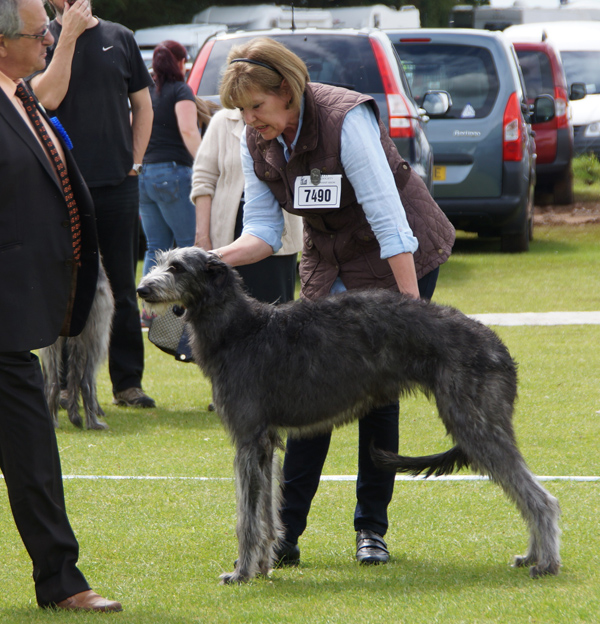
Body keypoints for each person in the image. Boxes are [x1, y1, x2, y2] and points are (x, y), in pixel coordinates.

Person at [212, 38, 456, 566]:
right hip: (332, 263)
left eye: (256, 107)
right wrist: (210, 259)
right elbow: (262, 232)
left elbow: (391, 223)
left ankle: (371, 529)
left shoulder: (345, 119)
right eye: (242, 112)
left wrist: (410, 317)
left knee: (379, 396)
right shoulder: (255, 139)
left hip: (401, 255)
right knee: (307, 395)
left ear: (286, 90)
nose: (250, 121)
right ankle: (286, 536)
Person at [0, 0, 120, 611]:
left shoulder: (17, 95)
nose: (47, 37)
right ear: (0, 42)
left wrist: (68, 35)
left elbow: (49, 92)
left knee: (32, 449)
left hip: (11, 327)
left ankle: (62, 581)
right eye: (38, 31)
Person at [30, 0, 156, 408]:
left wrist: (135, 162)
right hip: (60, 184)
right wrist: (66, 34)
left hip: (117, 182)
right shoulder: (40, 38)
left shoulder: (120, 37)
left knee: (122, 284)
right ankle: (65, 384)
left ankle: (127, 383)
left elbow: (143, 104)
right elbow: (46, 98)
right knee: (66, 284)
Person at [191, 105, 302, 305]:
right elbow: (203, 180)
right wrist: (202, 237)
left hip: (278, 234)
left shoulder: (286, 119)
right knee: (224, 312)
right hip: (228, 232)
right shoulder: (221, 121)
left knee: (275, 312)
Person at [139, 40, 201, 280]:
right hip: (173, 175)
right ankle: (192, 312)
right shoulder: (180, 90)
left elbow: (135, 126)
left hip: (144, 176)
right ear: (181, 62)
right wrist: (206, 165)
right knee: (189, 246)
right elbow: (188, 131)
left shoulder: (145, 92)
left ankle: (147, 312)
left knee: (155, 247)